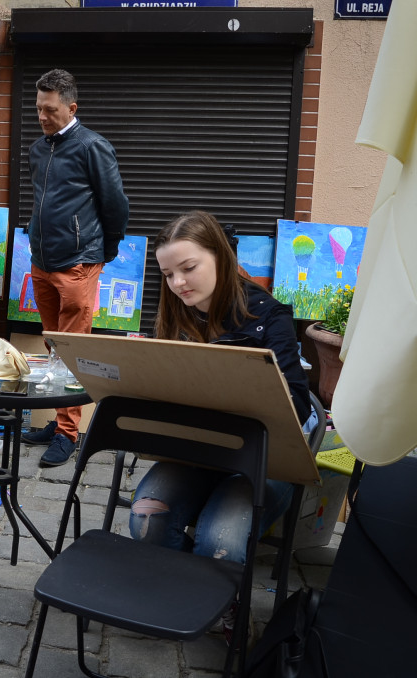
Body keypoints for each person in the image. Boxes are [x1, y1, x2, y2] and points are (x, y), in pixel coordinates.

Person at [127, 210, 318, 643]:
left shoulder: (269, 316)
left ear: (221, 256)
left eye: (188, 268)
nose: (178, 283)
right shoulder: (176, 316)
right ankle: (178, 599)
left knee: (222, 537)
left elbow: (298, 402)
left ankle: (222, 606)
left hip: (264, 458)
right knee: (146, 517)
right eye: (168, 273)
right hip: (197, 451)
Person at [20, 68, 130, 467]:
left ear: (72, 107)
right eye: (38, 109)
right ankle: (56, 421)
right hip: (43, 264)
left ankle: (69, 433)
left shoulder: (92, 146)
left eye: (50, 110)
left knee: (74, 352)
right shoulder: (38, 149)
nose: (43, 116)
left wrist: (105, 249)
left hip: (78, 264)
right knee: (53, 348)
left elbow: (116, 205)